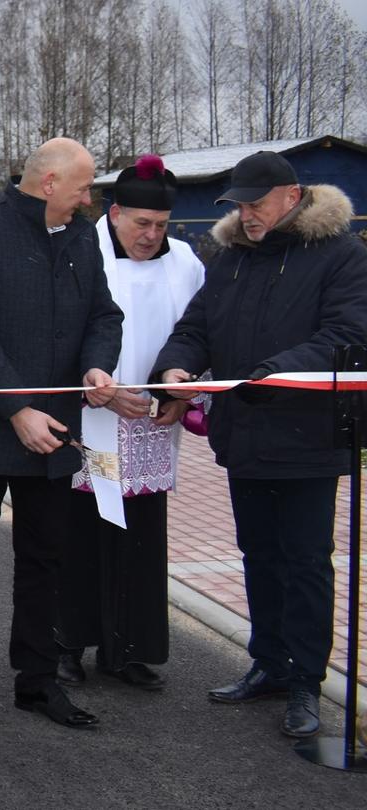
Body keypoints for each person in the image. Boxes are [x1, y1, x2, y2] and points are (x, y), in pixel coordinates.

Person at [154, 150, 367, 738]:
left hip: (307, 439)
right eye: (239, 205)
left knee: (304, 563)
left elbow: (348, 336)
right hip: (244, 435)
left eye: (256, 203)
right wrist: (175, 366)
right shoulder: (231, 259)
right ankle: (269, 663)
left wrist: (273, 374)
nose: (246, 214)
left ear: (292, 197)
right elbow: (196, 327)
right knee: (258, 555)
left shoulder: (341, 255)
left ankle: (305, 682)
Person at [0, 137, 123, 731]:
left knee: (45, 559)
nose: (88, 197)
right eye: (82, 185)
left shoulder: (83, 234)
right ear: (49, 183)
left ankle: (37, 682)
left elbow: (104, 314)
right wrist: (17, 408)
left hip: (58, 435)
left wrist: (98, 365)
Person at [53, 155, 204, 693]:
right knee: (83, 531)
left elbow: (197, 330)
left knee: (141, 537)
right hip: (95, 416)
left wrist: (180, 395)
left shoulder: (185, 261)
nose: (151, 236)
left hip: (153, 422)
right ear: (115, 213)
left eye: (161, 226)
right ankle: (68, 644)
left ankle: (129, 648)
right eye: (142, 223)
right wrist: (102, 390)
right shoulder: (80, 251)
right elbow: (59, 333)